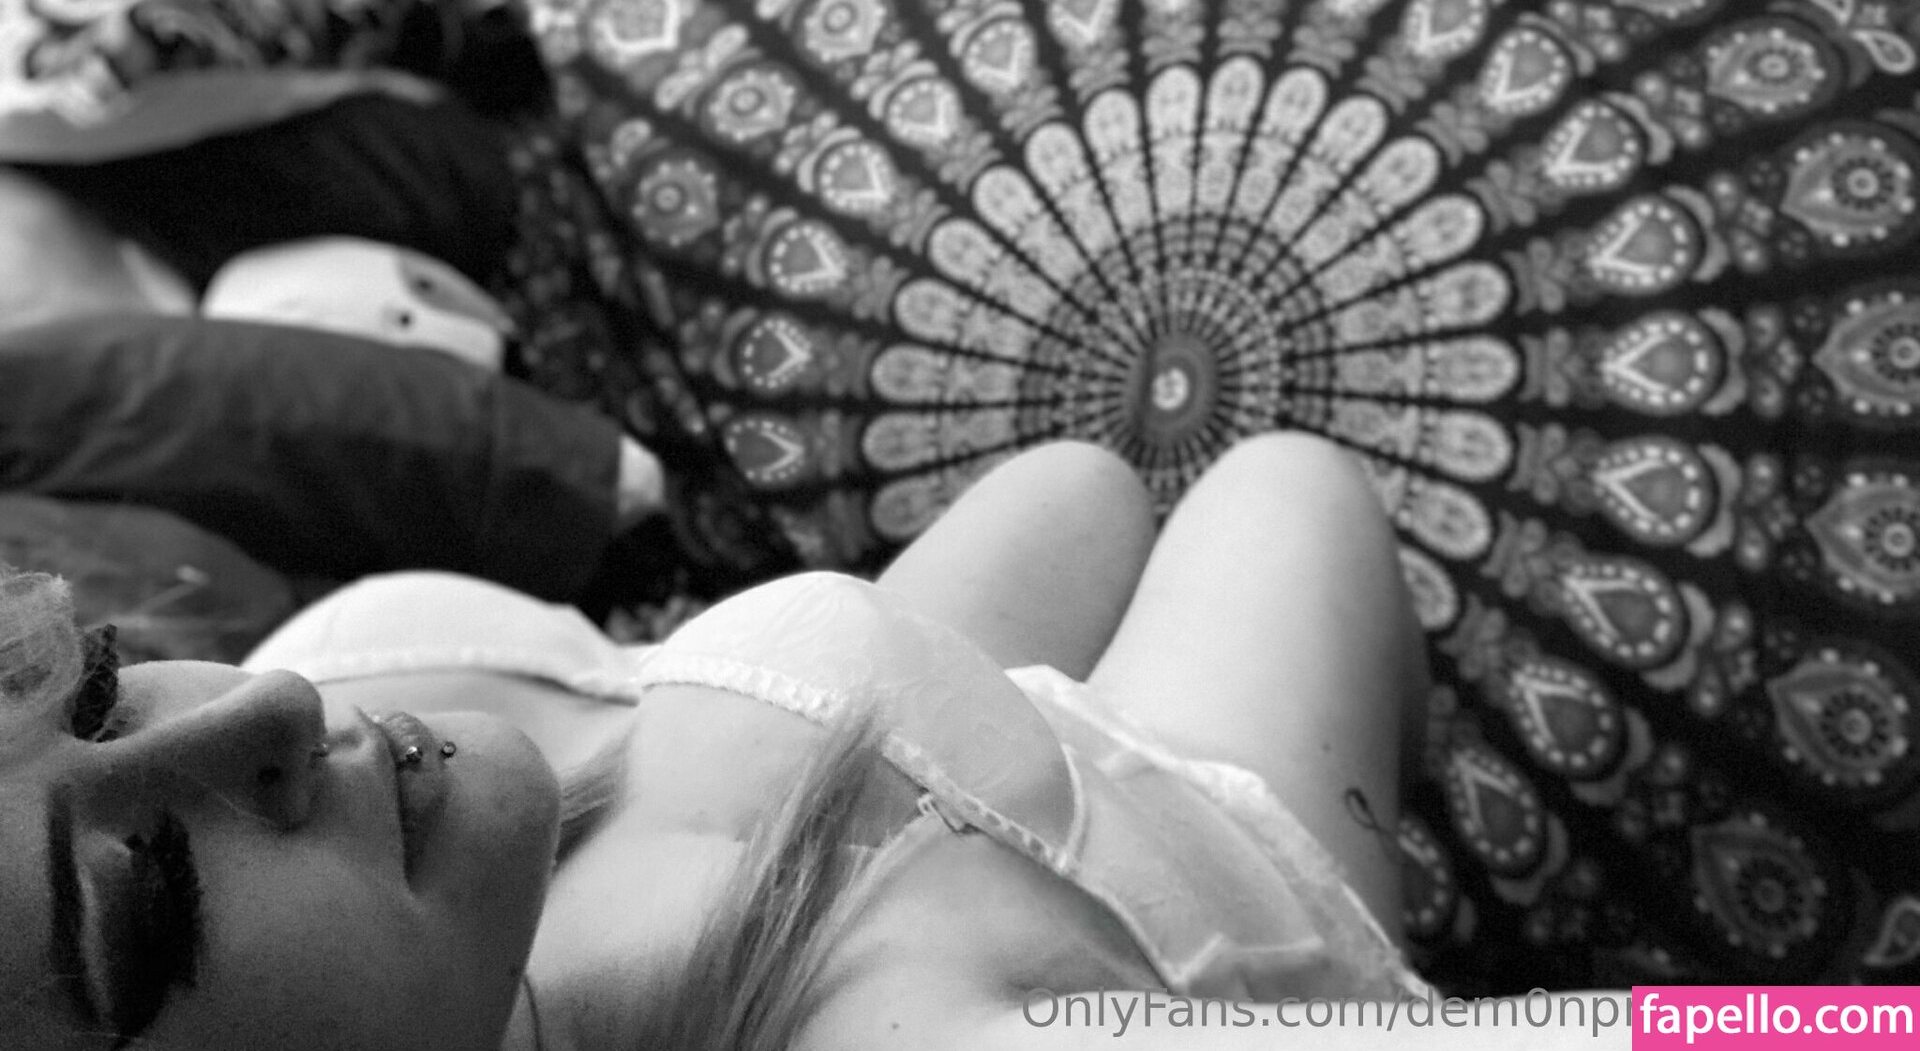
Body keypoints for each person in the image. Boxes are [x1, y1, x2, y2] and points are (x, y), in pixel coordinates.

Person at [1, 434, 1622, 1049]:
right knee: (1284, 485)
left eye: (92, 690)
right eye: (147, 893)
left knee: (1076, 489)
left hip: (877, 753)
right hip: (1177, 880)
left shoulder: (353, 716)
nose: (270, 708)